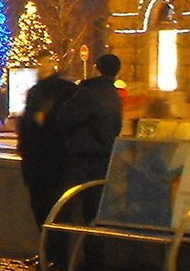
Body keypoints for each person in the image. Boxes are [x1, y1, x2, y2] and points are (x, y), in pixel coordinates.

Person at [47, 53, 124, 227]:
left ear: (96, 68)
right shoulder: (113, 94)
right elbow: (116, 126)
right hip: (103, 158)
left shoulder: (90, 92)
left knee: (63, 207)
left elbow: (66, 120)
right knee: (94, 212)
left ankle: (57, 251)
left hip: (81, 158)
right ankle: (94, 253)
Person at [19, 67, 77, 233]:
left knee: (44, 211)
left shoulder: (38, 116)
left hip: (40, 166)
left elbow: (27, 138)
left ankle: (49, 253)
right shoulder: (67, 98)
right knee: (56, 213)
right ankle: (51, 254)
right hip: (55, 165)